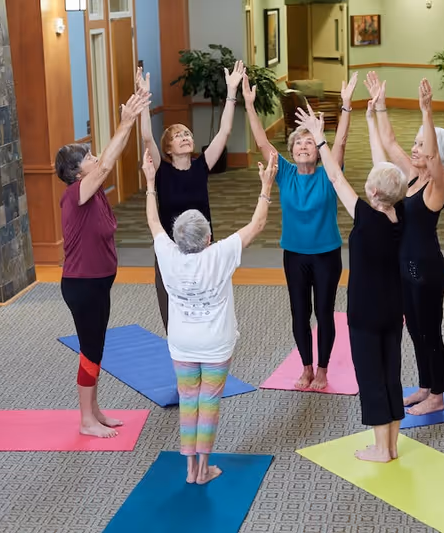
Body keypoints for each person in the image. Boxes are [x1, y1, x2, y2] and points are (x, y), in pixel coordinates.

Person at [143, 146, 278, 484]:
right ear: (207, 238)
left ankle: (190, 469)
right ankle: (203, 468)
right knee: (209, 403)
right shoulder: (218, 254)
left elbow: (153, 221)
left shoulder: (168, 254)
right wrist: (265, 186)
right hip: (216, 345)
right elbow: (257, 224)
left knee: (189, 402)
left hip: (182, 344)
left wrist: (149, 183)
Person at [295, 101, 408, 462]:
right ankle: (391, 444)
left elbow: (334, 178)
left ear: (373, 193)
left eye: (371, 182)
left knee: (371, 376)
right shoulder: (397, 216)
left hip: (365, 314)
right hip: (393, 311)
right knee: (391, 373)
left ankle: (380, 449)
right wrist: (373, 117)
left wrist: (319, 139)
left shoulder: (364, 216)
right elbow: (384, 170)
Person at [242, 72, 358, 390]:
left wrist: (346, 106)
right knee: (299, 313)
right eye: (298, 142)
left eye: (310, 142)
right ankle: (306, 368)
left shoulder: (328, 173)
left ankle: (322, 370)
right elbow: (263, 142)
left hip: (326, 254)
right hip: (294, 254)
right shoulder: (285, 174)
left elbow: (343, 141)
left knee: (324, 312)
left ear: (318, 151)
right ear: (291, 151)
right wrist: (250, 106)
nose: (304, 145)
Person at [55, 85, 151, 438]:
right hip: (82, 285)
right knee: (90, 349)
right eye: (88, 157)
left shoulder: (93, 194)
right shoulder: (75, 196)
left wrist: (132, 120)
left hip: (98, 282)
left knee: (96, 348)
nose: (96, 158)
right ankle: (85, 420)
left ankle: (95, 411)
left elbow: (109, 162)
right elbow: (108, 163)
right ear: (77, 172)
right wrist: (125, 122)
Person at [364, 72, 444, 416]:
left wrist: (427, 111)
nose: (415, 149)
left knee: (430, 332)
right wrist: (381, 105)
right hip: (404, 267)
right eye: (415, 144)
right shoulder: (412, 176)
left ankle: (438, 395)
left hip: (427, 270)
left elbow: (432, 156)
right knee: (415, 331)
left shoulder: (437, 186)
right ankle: (424, 386)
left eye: (421, 144)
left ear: (436, 154)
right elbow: (388, 142)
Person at [137, 62, 246, 333]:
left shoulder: (202, 165)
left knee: (207, 299)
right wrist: (141, 99)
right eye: (177, 136)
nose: (185, 137)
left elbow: (224, 132)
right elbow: (146, 135)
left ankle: (205, 340)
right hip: (170, 249)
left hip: (204, 246)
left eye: (187, 133)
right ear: (168, 148)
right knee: (170, 304)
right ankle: (178, 343)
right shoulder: (161, 171)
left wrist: (231, 92)